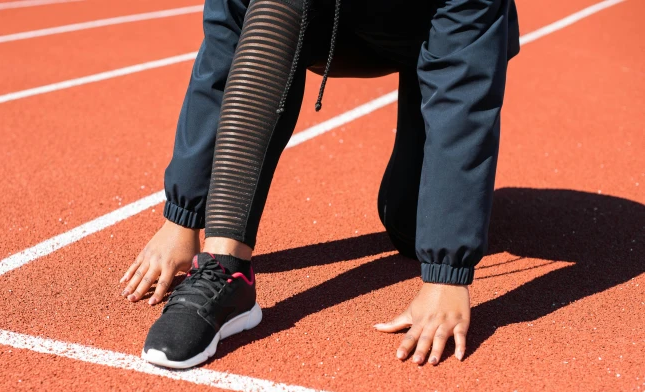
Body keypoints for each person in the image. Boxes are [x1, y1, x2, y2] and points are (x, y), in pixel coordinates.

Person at [122, 0, 520, 368]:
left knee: (410, 225)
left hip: (428, 27)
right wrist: (184, 216)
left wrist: (446, 274)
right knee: (273, 5)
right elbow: (225, 45)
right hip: (319, 17)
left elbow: (463, 90)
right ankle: (227, 271)